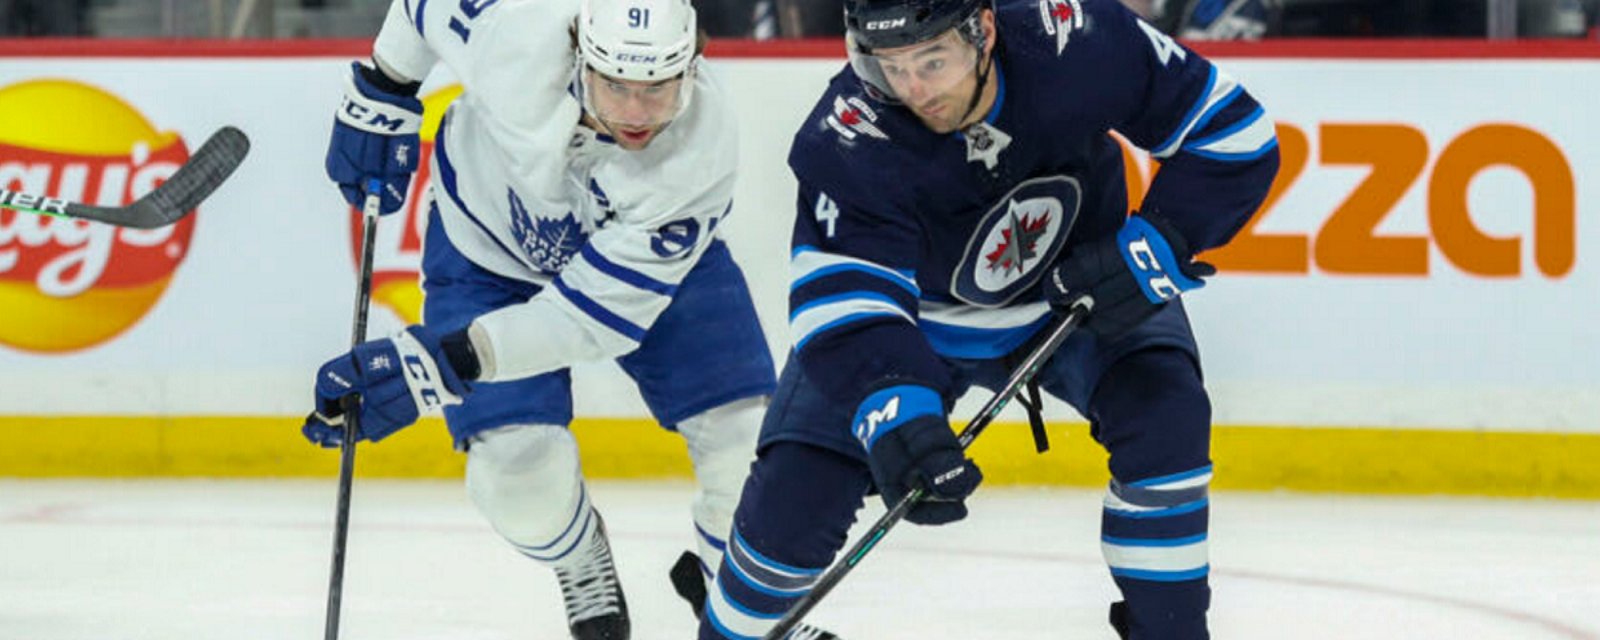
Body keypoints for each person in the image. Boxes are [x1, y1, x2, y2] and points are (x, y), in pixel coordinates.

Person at [697, 0, 1278, 638]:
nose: (914, 90)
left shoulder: (1075, 42)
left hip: (1079, 291)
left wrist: (1162, 242)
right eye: (890, 65)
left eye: (932, 60)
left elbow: (1234, 133)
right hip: (910, 325)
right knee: (792, 502)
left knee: (1166, 418)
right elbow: (844, 300)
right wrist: (902, 417)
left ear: (986, 30)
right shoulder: (849, 136)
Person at [303, 0, 837, 638]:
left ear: (693, 69)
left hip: (648, 275)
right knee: (515, 478)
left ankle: (739, 601)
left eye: (659, 89)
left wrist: (439, 363)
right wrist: (386, 85)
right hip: (485, 253)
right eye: (615, 85)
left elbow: (586, 320)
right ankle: (582, 559)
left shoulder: (702, 151)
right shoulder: (515, 29)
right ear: (579, 55)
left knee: (745, 439)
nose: (635, 114)